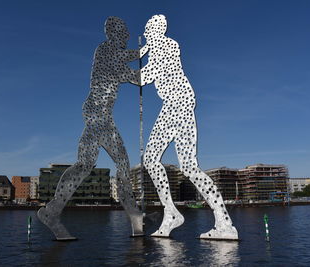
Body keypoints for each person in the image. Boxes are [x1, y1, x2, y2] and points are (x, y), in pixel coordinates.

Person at [37, 17, 143, 240]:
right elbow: (126, 58)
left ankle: (54, 211)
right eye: (124, 33)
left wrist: (155, 68)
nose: (127, 37)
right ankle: (53, 212)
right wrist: (146, 49)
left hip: (102, 116)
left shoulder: (114, 63)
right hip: (97, 113)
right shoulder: (105, 50)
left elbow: (136, 77)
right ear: (113, 34)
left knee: (104, 164)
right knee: (103, 164)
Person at [139, 14, 238, 240]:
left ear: (155, 30)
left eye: (147, 30)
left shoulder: (164, 46)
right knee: (189, 167)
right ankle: (223, 221)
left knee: (152, 159)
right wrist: (139, 53)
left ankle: (171, 212)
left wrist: (120, 73)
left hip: (176, 104)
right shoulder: (163, 45)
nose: (145, 35)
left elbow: (146, 76)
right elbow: (145, 56)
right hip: (181, 103)